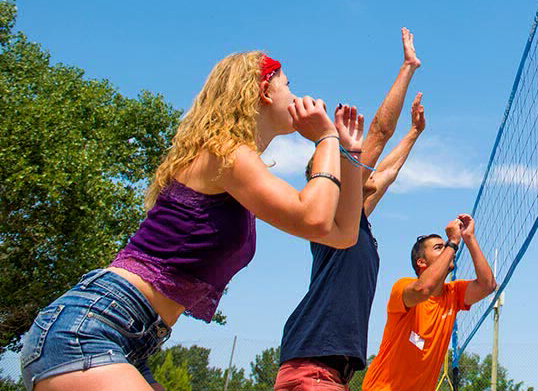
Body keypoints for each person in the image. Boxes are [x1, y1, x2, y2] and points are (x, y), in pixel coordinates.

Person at [21, 51, 365, 391]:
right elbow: (315, 218)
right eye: (288, 85)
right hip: (91, 326)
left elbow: (343, 234)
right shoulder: (225, 153)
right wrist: (326, 138)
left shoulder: (235, 164)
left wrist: (349, 156)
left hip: (130, 338)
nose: (295, 94)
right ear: (265, 90)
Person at [276, 28, 424, 391]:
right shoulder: (331, 216)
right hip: (313, 367)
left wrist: (415, 134)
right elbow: (377, 133)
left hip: (324, 368)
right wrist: (408, 67)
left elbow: (385, 173)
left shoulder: (352, 221)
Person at [361, 214, 497, 391]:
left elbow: (488, 285)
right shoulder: (402, 287)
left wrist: (468, 238)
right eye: (439, 247)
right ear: (421, 262)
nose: (448, 250)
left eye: (445, 246)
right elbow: (423, 289)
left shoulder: (453, 294)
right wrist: (453, 242)